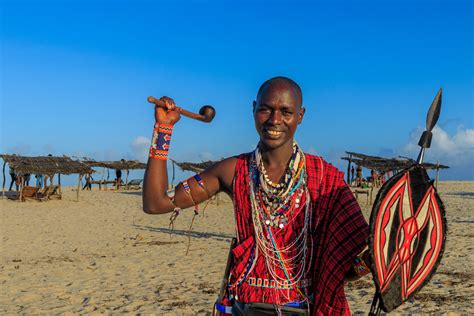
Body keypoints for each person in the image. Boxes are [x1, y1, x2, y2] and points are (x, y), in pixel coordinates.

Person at [143, 77, 370, 315]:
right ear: (253, 109)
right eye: (265, 109)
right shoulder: (233, 170)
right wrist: (163, 128)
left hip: (304, 308)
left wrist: (373, 261)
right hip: (246, 307)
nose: (274, 120)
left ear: (300, 115)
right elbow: (155, 203)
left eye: (286, 112)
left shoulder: (325, 178)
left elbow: (348, 265)